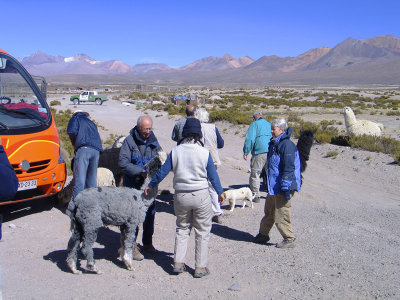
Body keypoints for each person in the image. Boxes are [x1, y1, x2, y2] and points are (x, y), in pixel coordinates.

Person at [145, 118, 225, 278]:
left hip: (181, 195)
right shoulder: (204, 153)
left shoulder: (176, 151)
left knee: (182, 228)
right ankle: (200, 267)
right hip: (201, 194)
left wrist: (151, 184)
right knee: (202, 231)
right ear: (199, 134)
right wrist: (220, 192)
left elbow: (162, 171)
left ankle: (178, 263)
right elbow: (213, 176)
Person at [119, 115, 162, 260]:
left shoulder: (153, 141)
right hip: (132, 186)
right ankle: (131, 246)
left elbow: (160, 156)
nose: (148, 132)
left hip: (149, 188)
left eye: (150, 129)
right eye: (145, 129)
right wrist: (140, 171)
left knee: (150, 214)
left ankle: (147, 243)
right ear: (138, 127)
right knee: (132, 218)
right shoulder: (129, 142)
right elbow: (123, 163)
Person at [253, 118, 301, 248]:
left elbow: (289, 167)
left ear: (282, 130)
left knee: (282, 213)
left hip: (283, 186)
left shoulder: (287, 145)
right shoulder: (274, 143)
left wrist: (285, 186)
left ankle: (289, 239)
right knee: (269, 211)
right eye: (272, 128)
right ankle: (263, 234)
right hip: (273, 186)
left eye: (274, 129)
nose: (271, 131)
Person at [195, 108, 225, 224]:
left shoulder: (196, 128)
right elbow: (221, 143)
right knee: (213, 185)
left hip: (199, 159)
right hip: (213, 158)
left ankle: (199, 213)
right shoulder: (213, 127)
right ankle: (218, 212)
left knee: (199, 184)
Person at [67, 110, 103, 199]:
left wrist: (74, 144)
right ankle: (92, 205)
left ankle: (76, 207)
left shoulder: (75, 118)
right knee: (92, 181)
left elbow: (71, 132)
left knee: (80, 180)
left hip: (84, 149)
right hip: (96, 151)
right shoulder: (91, 123)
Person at [243, 112, 271, 203]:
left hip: (259, 151)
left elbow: (250, 139)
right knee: (270, 174)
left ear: (254, 118)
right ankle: (272, 194)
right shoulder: (269, 124)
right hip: (271, 151)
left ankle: (256, 195)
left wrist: (246, 151)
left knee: (255, 173)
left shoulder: (254, 124)